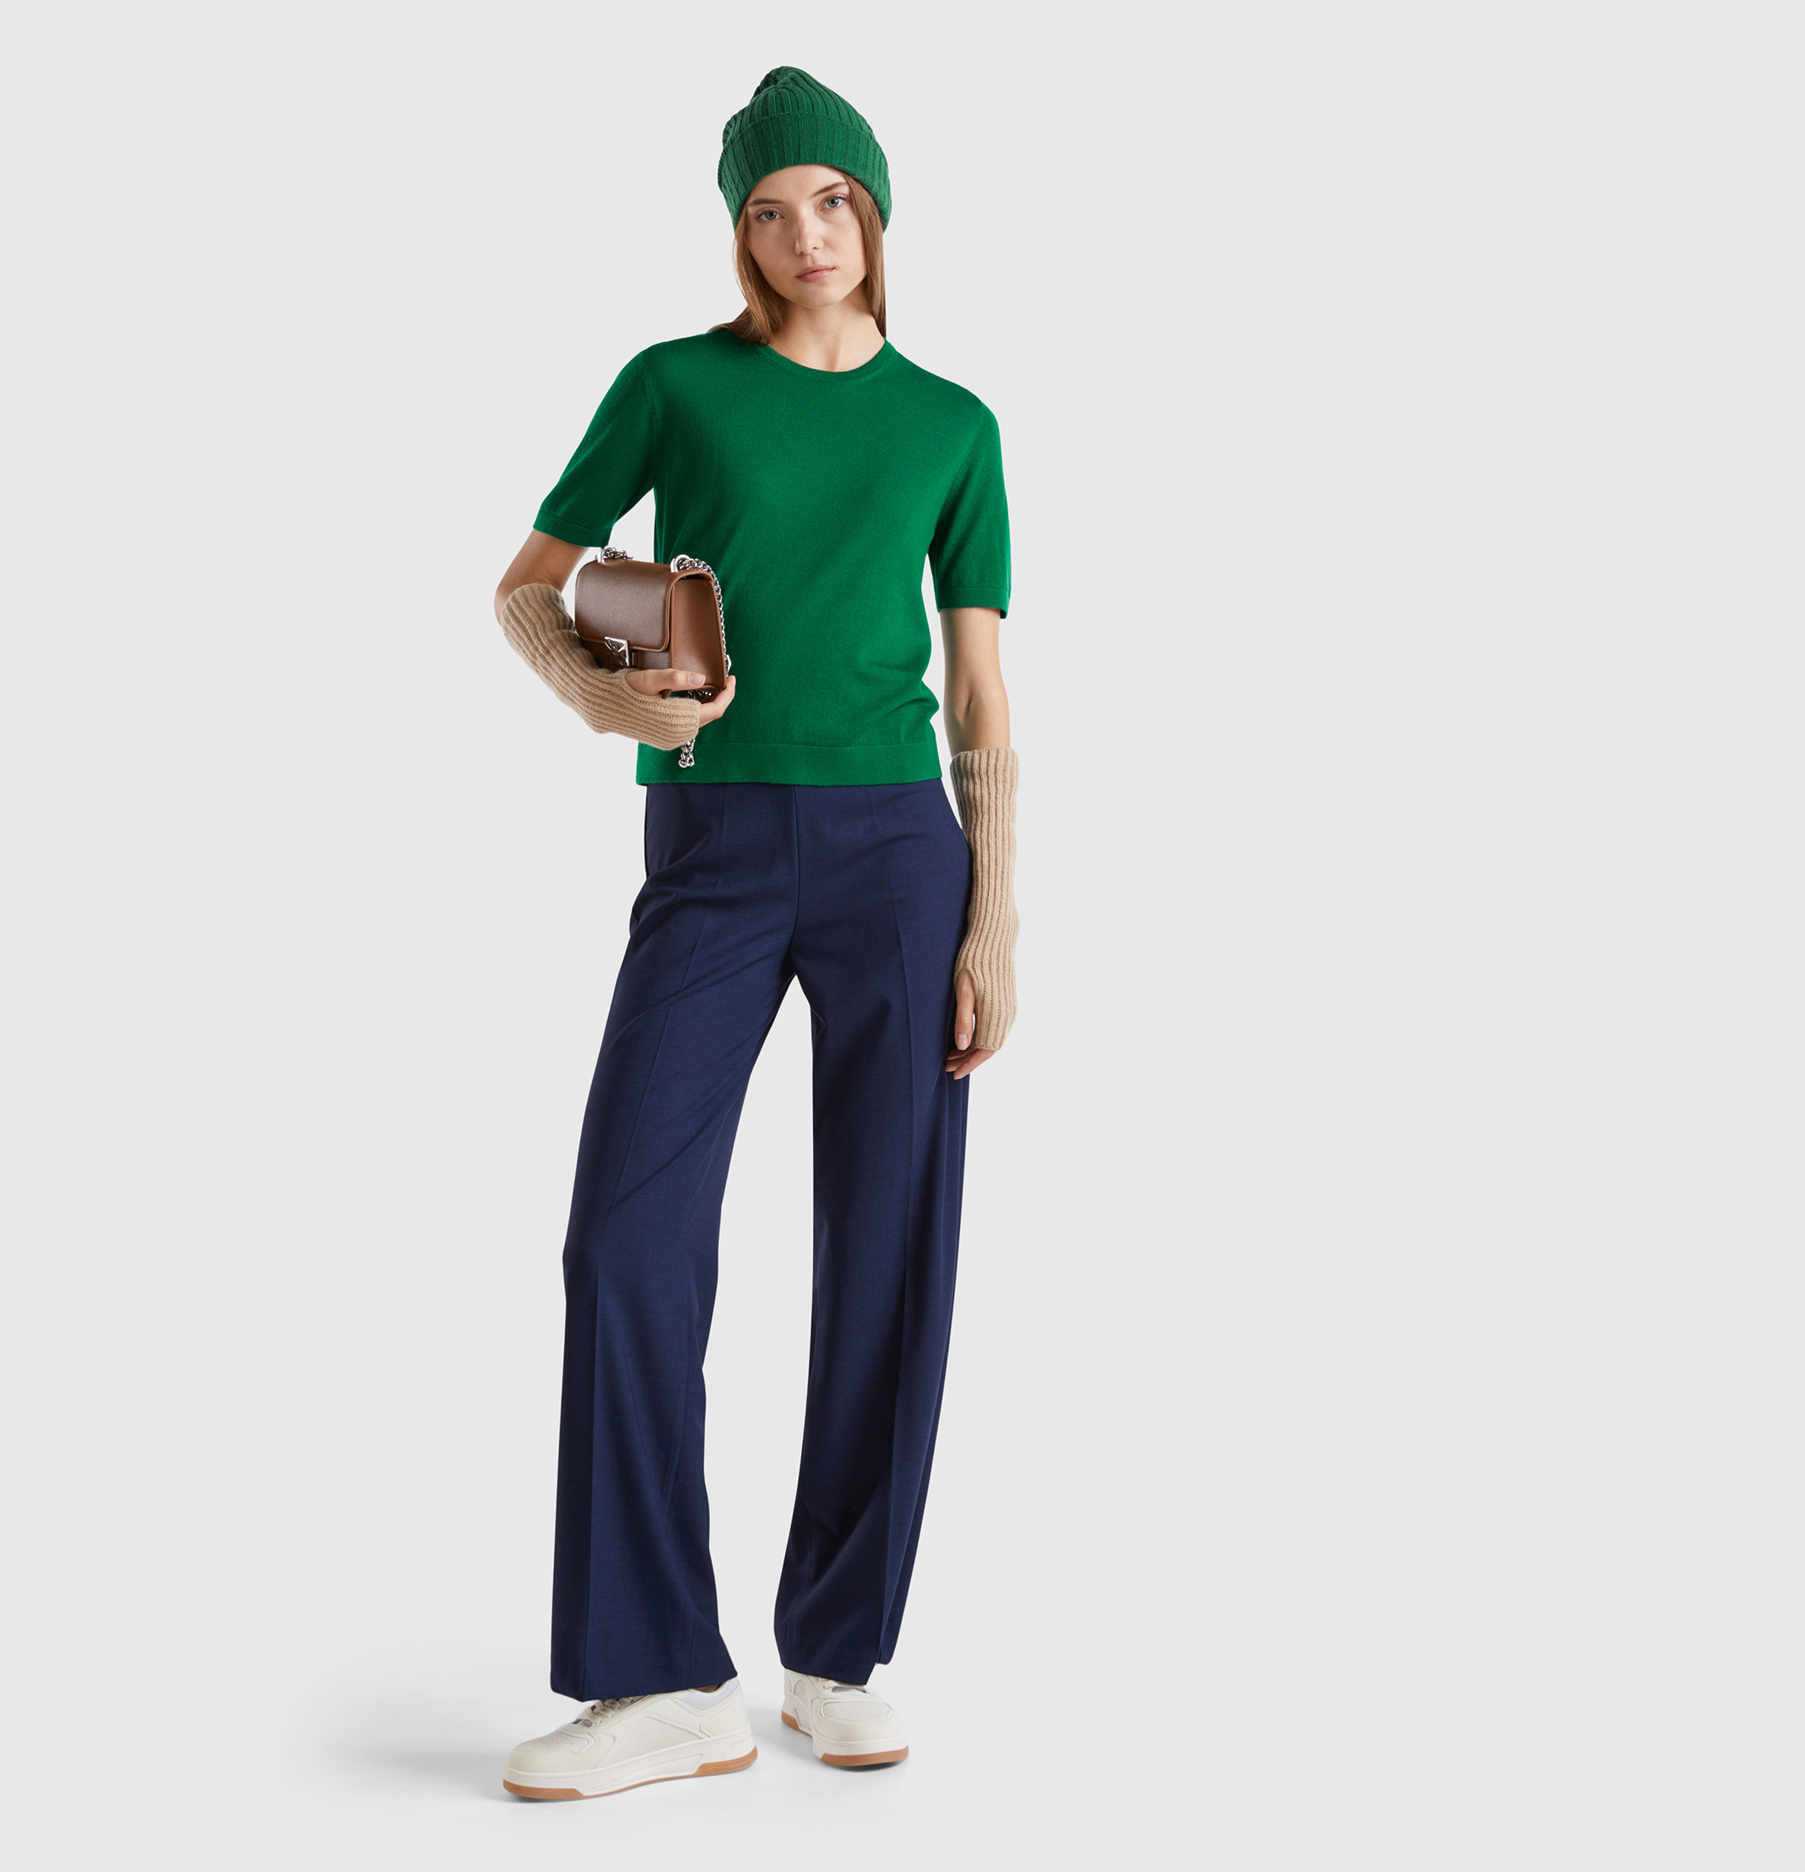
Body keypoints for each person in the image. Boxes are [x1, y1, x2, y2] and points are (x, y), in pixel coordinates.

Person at [490, 67, 1020, 1802]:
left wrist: (996, 914)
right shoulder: (674, 385)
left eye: (834, 202)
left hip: (899, 854)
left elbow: (981, 693)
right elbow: (529, 582)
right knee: (624, 1240)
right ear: (741, 232)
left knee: (891, 1244)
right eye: (773, 209)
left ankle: (836, 1651)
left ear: (877, 217)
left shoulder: (954, 425)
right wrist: (604, 700)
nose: (808, 235)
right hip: (712, 846)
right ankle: (662, 1681)